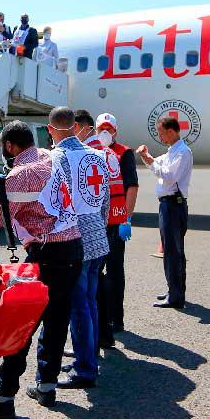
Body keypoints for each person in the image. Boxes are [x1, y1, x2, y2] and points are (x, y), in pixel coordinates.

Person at [0, 120, 83, 419]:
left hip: (47, 255)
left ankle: (4, 398)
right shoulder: (51, 156)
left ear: (8, 146)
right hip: (74, 248)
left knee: (22, 323)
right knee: (58, 320)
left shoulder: (19, 176)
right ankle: (47, 386)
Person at [58, 109, 109, 389]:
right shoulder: (98, 156)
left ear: (54, 129)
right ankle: (88, 357)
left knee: (78, 307)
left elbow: (57, 202)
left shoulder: (58, 158)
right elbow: (104, 200)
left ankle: (85, 368)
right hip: (98, 238)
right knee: (89, 303)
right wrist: (99, 228)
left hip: (75, 242)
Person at [137, 116, 193, 309]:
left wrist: (151, 161)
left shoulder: (183, 152)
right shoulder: (173, 151)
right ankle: (174, 290)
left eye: (161, 132)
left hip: (173, 205)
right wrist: (147, 157)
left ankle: (176, 296)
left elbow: (168, 176)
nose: (160, 137)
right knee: (172, 251)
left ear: (171, 131)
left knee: (173, 252)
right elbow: (156, 163)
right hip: (168, 205)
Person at [94, 112, 138, 344]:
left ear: (115, 132)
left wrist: (126, 219)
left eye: (108, 129)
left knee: (114, 271)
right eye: (101, 128)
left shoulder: (124, 153)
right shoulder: (92, 152)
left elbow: (132, 187)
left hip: (116, 221)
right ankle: (102, 319)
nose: (104, 133)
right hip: (96, 223)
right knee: (96, 273)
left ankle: (115, 319)